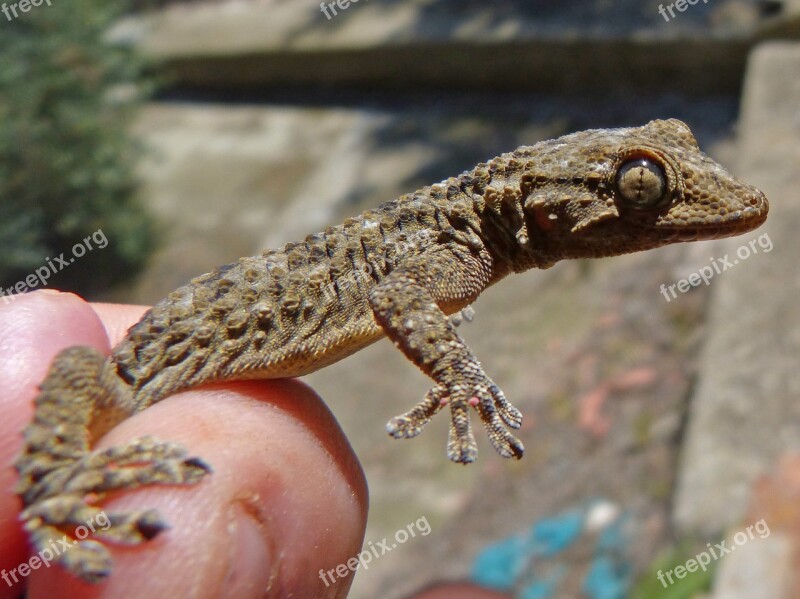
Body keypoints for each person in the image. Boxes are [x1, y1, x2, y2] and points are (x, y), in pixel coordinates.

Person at [0, 290, 368, 599]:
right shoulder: (109, 389)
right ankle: (48, 483)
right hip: (131, 383)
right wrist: (51, 477)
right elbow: (76, 366)